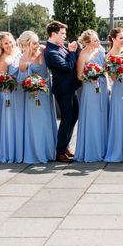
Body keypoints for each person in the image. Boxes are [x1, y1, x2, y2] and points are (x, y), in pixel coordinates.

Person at [18, 30, 57, 164]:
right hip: (33, 94)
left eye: (38, 42)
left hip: (46, 91)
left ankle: (49, 151)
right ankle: (37, 152)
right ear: (27, 45)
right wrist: (32, 87)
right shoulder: (23, 59)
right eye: (34, 43)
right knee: (37, 123)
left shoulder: (44, 49)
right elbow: (23, 78)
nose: (37, 45)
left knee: (47, 120)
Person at [44, 21, 80, 163]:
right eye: (62, 33)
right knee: (67, 118)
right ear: (53, 34)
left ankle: (65, 146)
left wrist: (74, 50)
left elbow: (73, 61)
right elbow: (67, 66)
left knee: (74, 115)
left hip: (71, 87)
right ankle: (59, 151)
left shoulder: (60, 47)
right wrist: (71, 52)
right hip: (63, 90)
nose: (65, 36)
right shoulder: (51, 52)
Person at [75, 30, 109, 162]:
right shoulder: (83, 55)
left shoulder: (100, 50)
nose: (98, 42)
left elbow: (105, 69)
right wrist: (90, 78)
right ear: (88, 43)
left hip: (103, 86)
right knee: (93, 117)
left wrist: (109, 86)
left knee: (102, 116)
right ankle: (91, 150)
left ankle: (103, 149)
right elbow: (79, 75)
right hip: (90, 88)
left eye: (98, 39)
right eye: (95, 40)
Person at [104, 28, 123, 162]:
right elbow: (110, 76)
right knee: (121, 117)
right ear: (113, 39)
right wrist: (116, 73)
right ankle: (119, 149)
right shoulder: (109, 56)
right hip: (119, 87)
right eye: (120, 38)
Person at [0, 31, 25, 163]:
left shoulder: (20, 52)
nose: (9, 45)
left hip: (23, 92)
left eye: (10, 41)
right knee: (13, 122)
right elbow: (1, 80)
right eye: (5, 43)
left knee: (23, 122)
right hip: (12, 95)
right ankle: (12, 153)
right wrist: (7, 86)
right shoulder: (4, 60)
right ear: (1, 46)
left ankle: (23, 150)